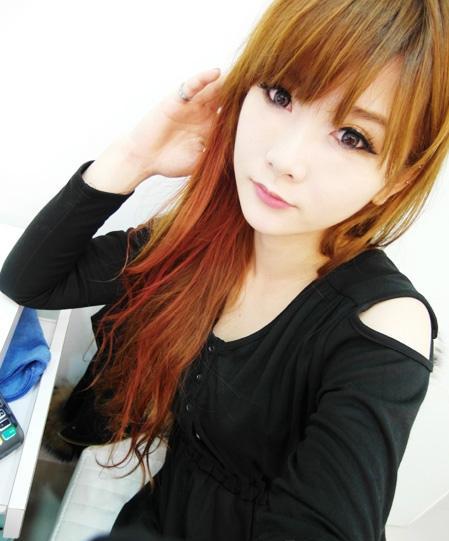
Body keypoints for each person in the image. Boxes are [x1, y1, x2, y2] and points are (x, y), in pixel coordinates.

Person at [0, 0, 447, 539]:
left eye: (353, 136)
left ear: (397, 180)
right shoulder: (206, 240)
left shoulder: (384, 326)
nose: (284, 158)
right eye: (280, 95)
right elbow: (31, 281)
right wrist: (135, 156)